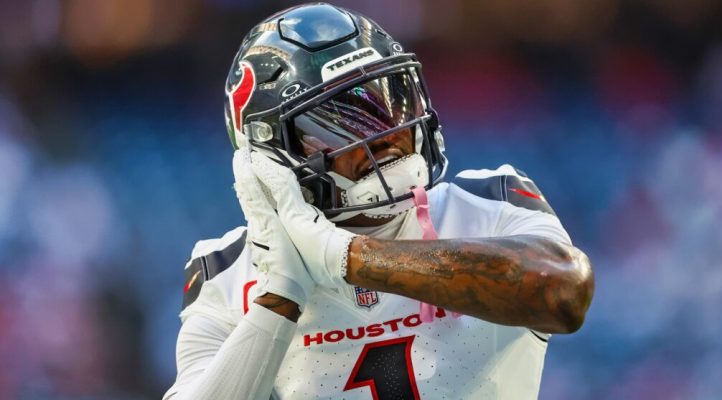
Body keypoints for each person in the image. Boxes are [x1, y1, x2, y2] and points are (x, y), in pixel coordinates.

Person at [164, 3, 594, 399]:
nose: (387, 133)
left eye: (391, 100)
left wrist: (346, 256)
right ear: (273, 156)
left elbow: (564, 292)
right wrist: (278, 298)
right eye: (337, 122)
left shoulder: (489, 201)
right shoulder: (226, 273)